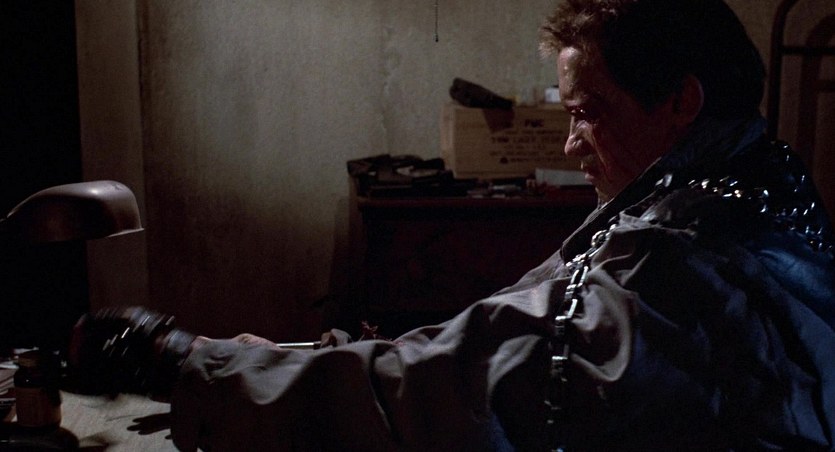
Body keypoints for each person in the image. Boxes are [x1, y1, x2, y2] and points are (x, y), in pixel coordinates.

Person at [69, 0, 835, 450]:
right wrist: (322, 356)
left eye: (586, 114)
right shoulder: (762, 181)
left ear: (680, 102)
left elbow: (449, 391)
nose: (570, 146)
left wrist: (189, 362)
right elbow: (498, 341)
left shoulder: (677, 261)